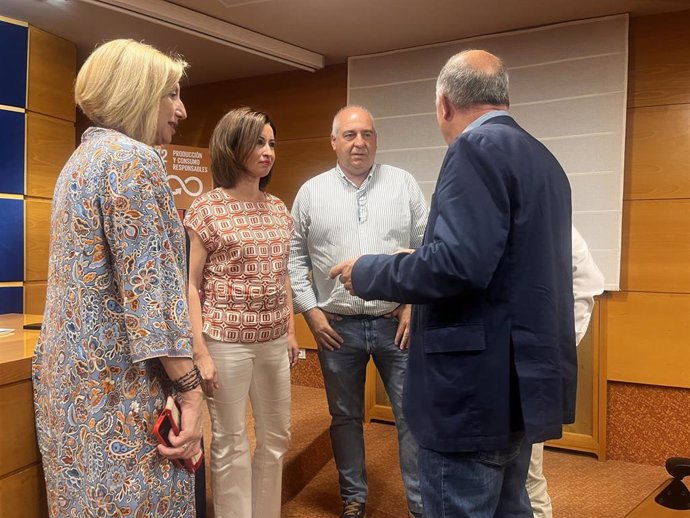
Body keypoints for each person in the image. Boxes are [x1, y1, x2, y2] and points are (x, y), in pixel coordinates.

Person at [331, 49, 576, 517]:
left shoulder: (472, 148)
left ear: (444, 104)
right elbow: (500, 265)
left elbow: (457, 267)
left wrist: (367, 271)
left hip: (471, 394)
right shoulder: (543, 158)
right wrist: (422, 257)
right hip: (518, 385)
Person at [32, 39, 203, 517]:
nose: (181, 109)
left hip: (72, 390)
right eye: (171, 93)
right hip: (120, 395)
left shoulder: (77, 164)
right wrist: (191, 395)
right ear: (138, 93)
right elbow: (152, 301)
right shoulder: (134, 161)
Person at [288, 105, 427, 518]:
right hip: (337, 328)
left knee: (412, 417)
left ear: (376, 140)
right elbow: (294, 258)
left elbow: (427, 250)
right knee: (344, 417)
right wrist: (310, 312)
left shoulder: (403, 184)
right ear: (334, 141)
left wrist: (413, 304)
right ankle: (354, 498)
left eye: (367, 134)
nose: (359, 142)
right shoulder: (311, 192)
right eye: (349, 135)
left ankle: (420, 505)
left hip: (395, 324)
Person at [184, 107, 299, 518]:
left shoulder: (279, 208)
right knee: (231, 440)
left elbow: (281, 273)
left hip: (272, 341)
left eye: (271, 143)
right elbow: (190, 286)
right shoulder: (206, 209)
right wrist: (199, 350)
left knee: (276, 436)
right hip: (225, 342)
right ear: (233, 147)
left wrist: (288, 329)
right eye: (258, 142)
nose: (267, 152)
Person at [526, 226, 605, 517]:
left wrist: (556, 347)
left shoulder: (554, 224)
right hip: (481, 373)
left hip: (531, 370)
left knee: (527, 474)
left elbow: (587, 284)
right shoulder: (476, 216)